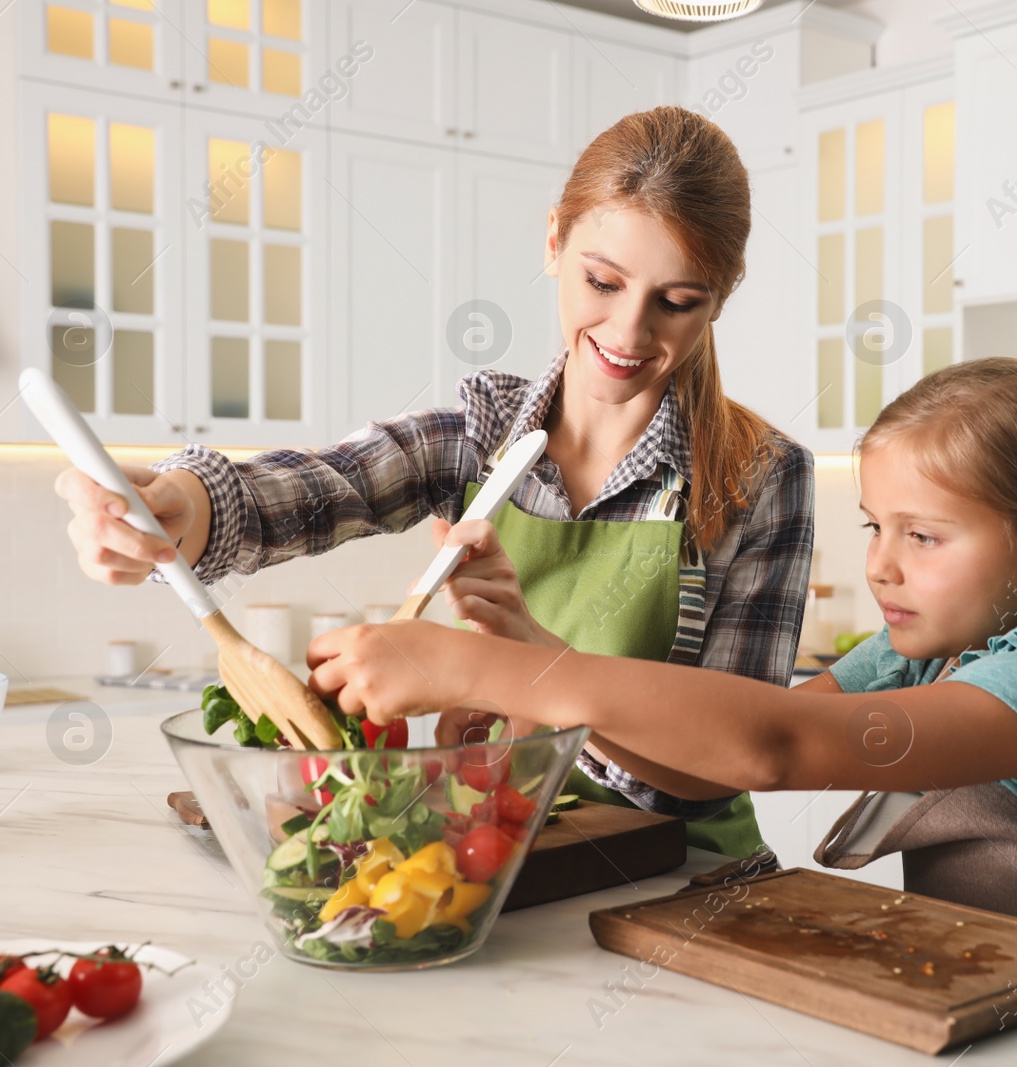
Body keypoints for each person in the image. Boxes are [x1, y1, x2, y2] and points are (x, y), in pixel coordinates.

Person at [52, 107, 814, 860]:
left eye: (677, 302)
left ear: (722, 293)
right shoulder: (480, 435)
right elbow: (312, 491)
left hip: (688, 885)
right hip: (497, 866)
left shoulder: (761, 477)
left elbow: (724, 763)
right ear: (554, 241)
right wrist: (176, 506)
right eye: (603, 282)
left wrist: (526, 668)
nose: (628, 332)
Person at [307, 357, 1017, 966]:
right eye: (875, 528)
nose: (882, 564)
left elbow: (778, 744)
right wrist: (533, 649)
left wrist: (480, 673)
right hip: (988, 993)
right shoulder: (915, 654)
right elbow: (711, 761)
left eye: (923, 536)